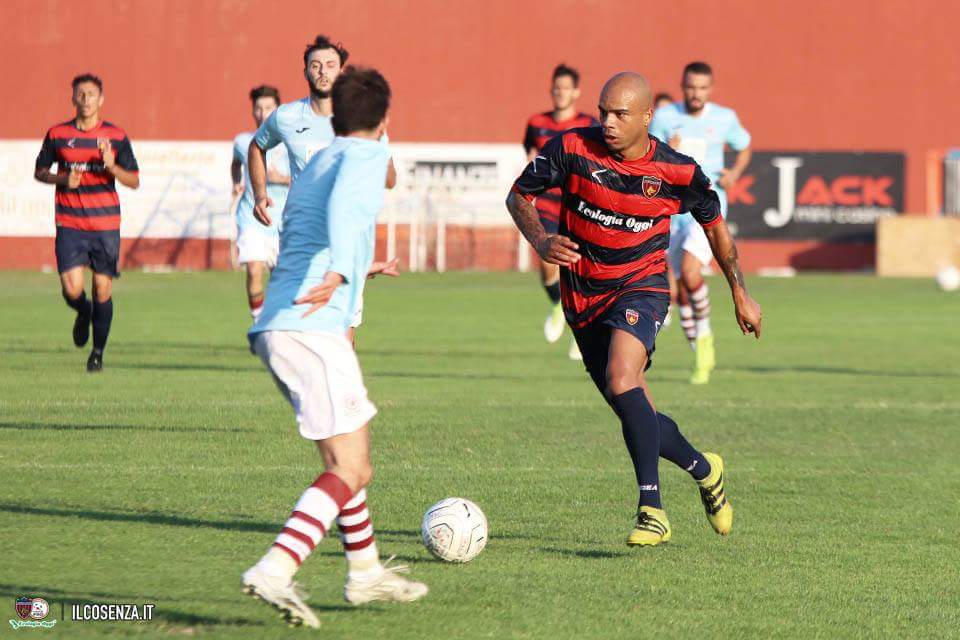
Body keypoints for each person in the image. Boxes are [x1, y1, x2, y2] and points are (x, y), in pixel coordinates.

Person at [506, 72, 762, 546]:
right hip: (583, 298)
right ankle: (706, 470)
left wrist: (739, 292)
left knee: (623, 378)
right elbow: (519, 195)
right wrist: (540, 240)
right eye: (603, 111)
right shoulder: (572, 148)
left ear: (647, 117)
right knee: (633, 408)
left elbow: (715, 228)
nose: (608, 122)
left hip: (641, 287)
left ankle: (652, 510)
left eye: (620, 114)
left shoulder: (677, 171)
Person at [241, 67, 427, 628]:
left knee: (346, 458)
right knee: (353, 466)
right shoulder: (366, 156)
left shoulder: (319, 160)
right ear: (384, 119)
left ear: (334, 117)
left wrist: (356, 267)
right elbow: (347, 209)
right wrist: (345, 271)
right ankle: (275, 569)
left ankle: (365, 572)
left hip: (281, 324)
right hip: (312, 328)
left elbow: (305, 237)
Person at [249, 35, 397, 340]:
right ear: (305, 71)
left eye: (330, 65)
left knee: (343, 332)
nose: (322, 71)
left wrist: (376, 143)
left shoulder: (362, 118)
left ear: (341, 71)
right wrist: (260, 195)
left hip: (346, 235)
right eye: (315, 65)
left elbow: (390, 180)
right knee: (297, 326)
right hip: (300, 235)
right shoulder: (287, 117)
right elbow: (257, 146)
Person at [650, 62, 752, 384]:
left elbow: (744, 147)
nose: (696, 93)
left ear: (711, 89)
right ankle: (696, 342)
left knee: (691, 270)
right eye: (691, 87)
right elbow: (648, 156)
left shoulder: (725, 118)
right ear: (682, 86)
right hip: (673, 211)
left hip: (708, 209)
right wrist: (668, 151)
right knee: (680, 285)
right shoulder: (665, 117)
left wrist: (734, 173)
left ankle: (705, 339)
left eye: (702, 88)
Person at [34, 73, 140, 372]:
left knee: (103, 288)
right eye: (80, 94)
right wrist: (62, 179)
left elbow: (134, 180)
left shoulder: (116, 136)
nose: (86, 99)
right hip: (70, 222)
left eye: (91, 94)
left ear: (101, 99)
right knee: (72, 289)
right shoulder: (57, 134)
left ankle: (97, 353)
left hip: (105, 225)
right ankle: (83, 311)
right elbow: (39, 171)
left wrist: (112, 166)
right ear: (73, 98)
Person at [523, 64, 598, 360]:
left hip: (578, 206)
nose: (560, 93)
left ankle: (580, 331)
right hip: (548, 204)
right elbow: (531, 154)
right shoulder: (536, 123)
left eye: (566, 88)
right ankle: (557, 306)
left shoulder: (588, 124)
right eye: (556, 88)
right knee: (547, 262)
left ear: (576, 92)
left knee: (578, 271)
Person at [231, 85, 290, 318]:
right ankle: (258, 323)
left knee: (280, 280)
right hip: (251, 218)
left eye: (268, 108)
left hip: (282, 222)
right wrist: (236, 182)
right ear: (252, 111)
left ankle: (275, 323)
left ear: (277, 110)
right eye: (258, 108)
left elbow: (305, 176)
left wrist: (280, 178)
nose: (263, 113)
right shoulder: (243, 141)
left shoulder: (290, 142)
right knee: (254, 270)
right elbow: (236, 163)